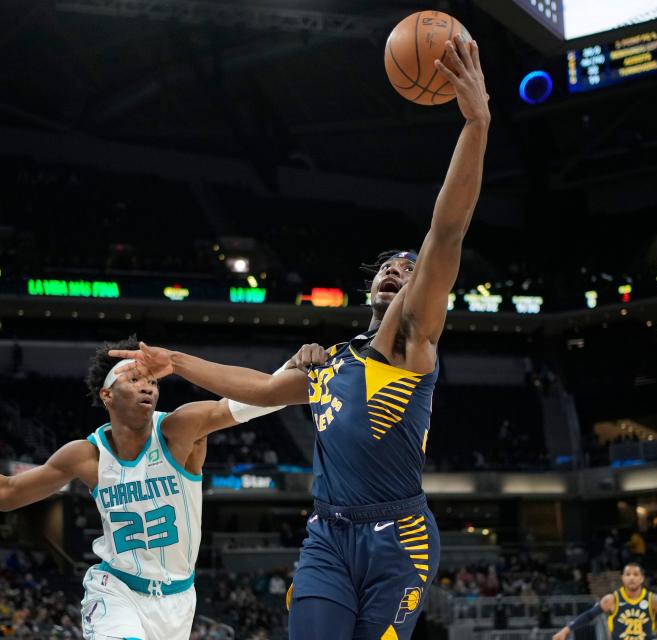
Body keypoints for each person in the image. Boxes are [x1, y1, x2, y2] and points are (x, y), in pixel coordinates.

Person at [108, 32, 490, 640]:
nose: (397, 270)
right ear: (370, 287)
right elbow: (259, 389)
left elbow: (446, 231)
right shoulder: (332, 359)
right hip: (328, 537)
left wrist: (476, 123)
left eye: (408, 268)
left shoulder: (410, 339)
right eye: (388, 267)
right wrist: (176, 359)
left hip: (401, 540)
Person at [0, 336, 286, 640]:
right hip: (116, 588)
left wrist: (301, 370)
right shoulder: (85, 455)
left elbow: (264, 395)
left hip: (179, 600)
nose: (147, 386)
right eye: (134, 378)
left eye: (152, 381)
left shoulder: (182, 427)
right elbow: (4, 494)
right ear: (107, 394)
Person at [552, 562, 657, 640]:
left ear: (642, 578)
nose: (631, 578)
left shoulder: (653, 599)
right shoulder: (612, 599)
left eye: (635, 574)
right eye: (628, 574)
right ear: (622, 578)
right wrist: (566, 630)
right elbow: (589, 615)